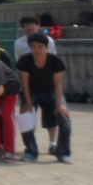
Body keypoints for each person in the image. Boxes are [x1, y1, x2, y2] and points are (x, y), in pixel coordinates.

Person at [17, 33, 73, 163]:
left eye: (40, 46)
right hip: (33, 91)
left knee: (65, 119)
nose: (37, 50)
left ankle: (63, 153)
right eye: (33, 47)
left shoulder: (56, 61)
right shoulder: (24, 60)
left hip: (51, 91)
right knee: (25, 117)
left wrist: (59, 104)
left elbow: (58, 84)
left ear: (47, 47)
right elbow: (25, 83)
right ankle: (31, 151)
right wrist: (28, 103)